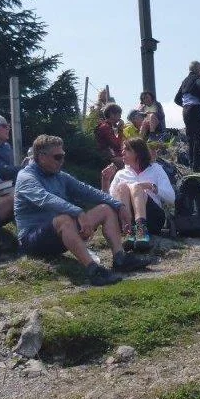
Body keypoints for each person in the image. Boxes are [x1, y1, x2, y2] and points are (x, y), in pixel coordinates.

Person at [14, 135, 152, 285]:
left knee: (105, 209)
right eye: (57, 157)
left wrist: (119, 206)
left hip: (60, 234)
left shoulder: (59, 176)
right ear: (41, 157)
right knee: (64, 219)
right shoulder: (26, 177)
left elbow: (87, 191)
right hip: (33, 240)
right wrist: (78, 212)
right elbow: (45, 199)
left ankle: (120, 258)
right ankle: (93, 270)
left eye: (63, 156)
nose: (62, 161)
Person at [109, 137, 176, 252]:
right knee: (122, 187)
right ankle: (129, 230)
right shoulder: (121, 174)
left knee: (136, 187)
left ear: (138, 152)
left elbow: (171, 198)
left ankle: (141, 229)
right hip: (128, 217)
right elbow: (110, 200)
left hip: (153, 218)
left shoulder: (156, 169)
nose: (122, 152)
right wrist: (105, 182)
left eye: (127, 149)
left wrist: (151, 187)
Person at [175, 60, 200, 171]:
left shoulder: (184, 81)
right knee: (199, 137)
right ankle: (197, 166)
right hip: (195, 109)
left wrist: (185, 104)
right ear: (197, 69)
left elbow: (176, 99)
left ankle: (191, 163)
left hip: (186, 110)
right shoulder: (198, 80)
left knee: (190, 138)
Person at [94, 103, 125, 190]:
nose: (120, 117)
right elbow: (116, 144)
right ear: (112, 114)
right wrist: (120, 130)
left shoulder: (110, 126)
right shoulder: (105, 127)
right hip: (106, 156)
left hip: (111, 154)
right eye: (119, 114)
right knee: (128, 163)